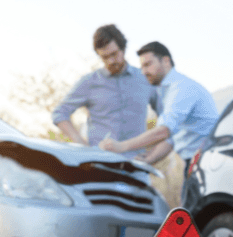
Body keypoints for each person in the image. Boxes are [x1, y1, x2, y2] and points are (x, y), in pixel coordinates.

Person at [99, 41, 218, 173]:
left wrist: (121, 146)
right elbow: (171, 139)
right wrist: (148, 159)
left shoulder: (181, 88)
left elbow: (163, 131)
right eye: (142, 67)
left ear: (166, 61)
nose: (143, 72)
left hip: (207, 162)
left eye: (148, 65)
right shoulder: (169, 91)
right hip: (197, 162)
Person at [51, 24, 155, 156]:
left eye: (114, 54)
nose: (111, 61)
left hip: (137, 165)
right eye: (105, 57)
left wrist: (153, 153)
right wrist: (79, 142)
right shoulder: (89, 82)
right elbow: (59, 113)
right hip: (101, 165)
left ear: (123, 49)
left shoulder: (145, 79)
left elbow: (166, 116)